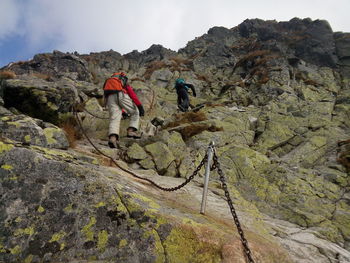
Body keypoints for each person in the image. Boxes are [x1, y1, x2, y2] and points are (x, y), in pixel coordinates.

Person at [103, 72, 145, 148]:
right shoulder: (122, 80)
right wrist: (140, 106)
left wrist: (122, 112)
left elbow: (112, 100)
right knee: (135, 112)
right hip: (121, 94)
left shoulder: (109, 82)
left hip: (110, 98)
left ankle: (113, 138)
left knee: (114, 118)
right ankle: (131, 131)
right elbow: (132, 94)